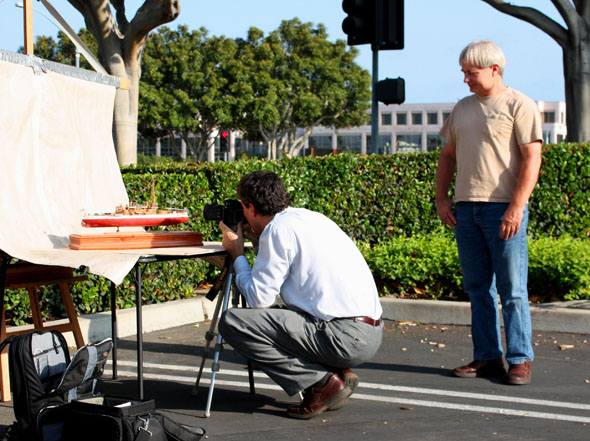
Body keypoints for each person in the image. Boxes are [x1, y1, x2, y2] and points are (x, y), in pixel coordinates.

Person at [217, 170, 383, 419]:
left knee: (233, 322)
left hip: (344, 337)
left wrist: (237, 254)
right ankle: (335, 371)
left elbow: (258, 299)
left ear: (250, 207)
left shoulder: (277, 230)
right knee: (281, 315)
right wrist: (258, 241)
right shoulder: (308, 218)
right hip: (370, 333)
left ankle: (321, 383)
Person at [436, 40, 542, 385]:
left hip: (503, 209)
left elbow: (532, 158)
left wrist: (516, 206)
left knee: (512, 289)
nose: (465, 79)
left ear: (494, 69)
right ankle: (486, 357)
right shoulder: (462, 109)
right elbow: (448, 156)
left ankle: (519, 359)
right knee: (478, 288)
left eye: (472, 72)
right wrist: (442, 199)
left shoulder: (519, 105)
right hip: (466, 209)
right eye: (463, 72)